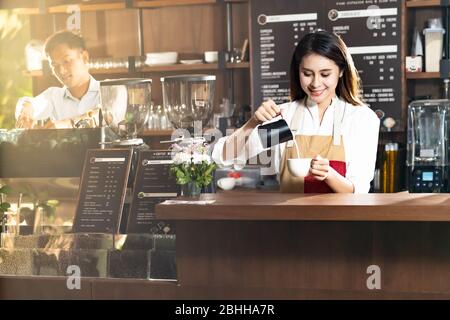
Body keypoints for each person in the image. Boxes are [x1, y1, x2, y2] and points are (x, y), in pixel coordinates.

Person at [212, 30, 380, 193]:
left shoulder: (360, 119)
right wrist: (253, 122)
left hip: (341, 220)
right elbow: (224, 156)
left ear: (341, 71)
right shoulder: (287, 119)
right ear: (297, 71)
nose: (315, 83)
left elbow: (358, 190)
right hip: (291, 220)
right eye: (307, 74)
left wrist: (330, 175)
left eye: (325, 74)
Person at [15, 30, 100, 129]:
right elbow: (30, 103)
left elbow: (104, 114)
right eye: (54, 65)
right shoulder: (53, 96)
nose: (61, 71)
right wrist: (25, 111)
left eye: (66, 61)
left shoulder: (109, 91)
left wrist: (68, 124)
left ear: (84, 57)